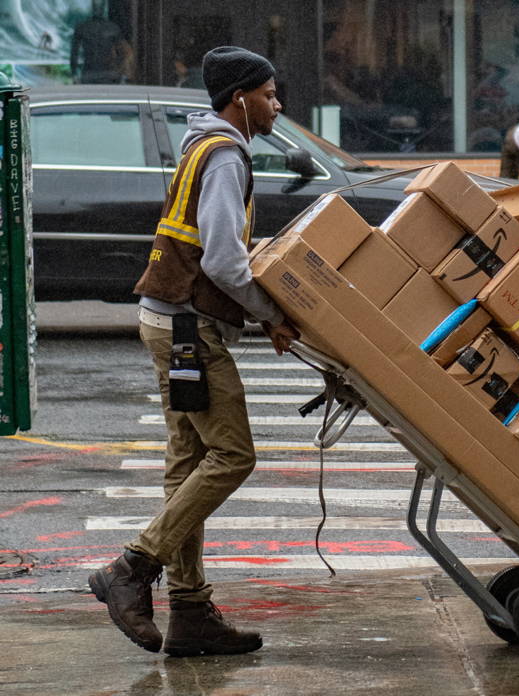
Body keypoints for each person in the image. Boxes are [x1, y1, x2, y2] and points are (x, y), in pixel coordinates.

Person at [88, 46, 298, 657]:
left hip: (166, 321)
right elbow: (225, 261)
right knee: (233, 456)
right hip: (189, 329)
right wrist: (273, 316)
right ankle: (132, 567)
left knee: (187, 465)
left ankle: (190, 612)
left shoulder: (200, 145)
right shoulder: (227, 156)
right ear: (240, 99)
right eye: (269, 92)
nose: (276, 103)